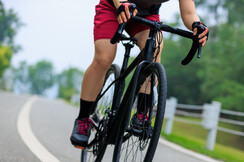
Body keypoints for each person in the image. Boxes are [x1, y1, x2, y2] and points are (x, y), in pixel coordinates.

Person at [70, 0, 209, 149]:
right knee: (104, 58)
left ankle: (142, 113)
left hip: (146, 16)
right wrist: (122, 3)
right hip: (114, 7)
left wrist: (197, 25)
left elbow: (189, 13)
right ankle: (83, 118)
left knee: (154, 50)